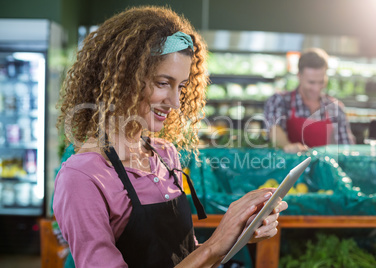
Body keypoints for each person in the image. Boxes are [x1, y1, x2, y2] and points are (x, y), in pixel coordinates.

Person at [53, 5, 288, 268]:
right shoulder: (83, 177)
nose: (175, 102)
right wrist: (213, 246)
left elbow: (178, 255)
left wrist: (237, 235)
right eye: (163, 83)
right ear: (124, 79)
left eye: (182, 86)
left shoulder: (165, 154)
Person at [264, 48, 355, 153]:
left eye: (321, 82)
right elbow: (274, 130)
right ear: (299, 76)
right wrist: (288, 147)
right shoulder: (280, 101)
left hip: (325, 168)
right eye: (311, 82)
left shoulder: (335, 108)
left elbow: (346, 148)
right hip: (291, 167)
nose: (316, 88)